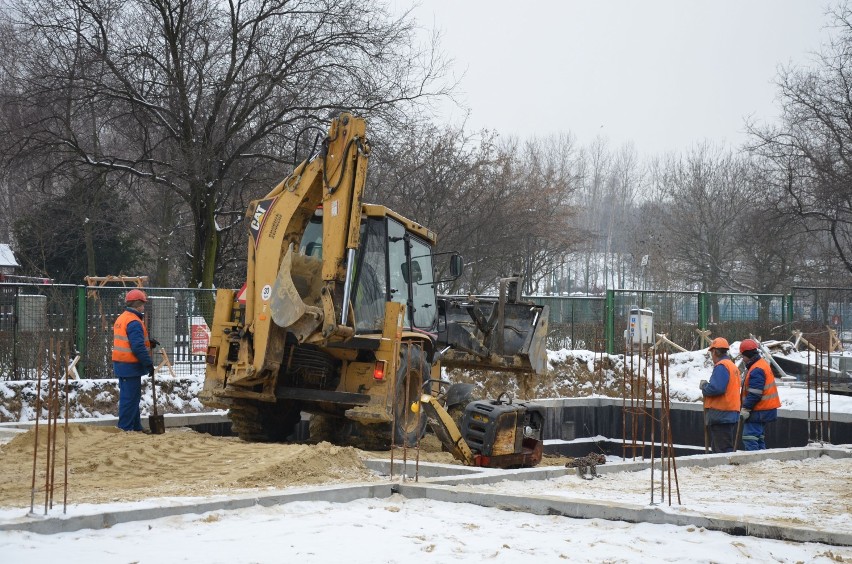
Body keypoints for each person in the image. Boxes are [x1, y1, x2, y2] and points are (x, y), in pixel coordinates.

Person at [113, 289, 156, 432]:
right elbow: (137, 346)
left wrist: (148, 342)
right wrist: (148, 363)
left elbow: (130, 341)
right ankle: (125, 428)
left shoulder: (123, 317)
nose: (144, 307)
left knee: (133, 398)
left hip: (122, 364)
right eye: (143, 304)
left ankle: (136, 427)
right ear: (138, 305)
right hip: (129, 365)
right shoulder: (134, 321)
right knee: (129, 399)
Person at [699, 337, 741, 453]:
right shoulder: (732, 366)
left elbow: (716, 388)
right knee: (724, 447)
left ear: (715, 352)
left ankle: (726, 470)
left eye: (712, 352)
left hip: (721, 413)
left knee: (722, 451)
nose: (712, 356)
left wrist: (704, 386)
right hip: (730, 413)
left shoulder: (722, 366)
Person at [738, 338, 781, 450]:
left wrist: (746, 408)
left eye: (743, 356)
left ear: (747, 355)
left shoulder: (756, 369)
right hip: (764, 410)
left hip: (759, 410)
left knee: (749, 438)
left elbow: (755, 393)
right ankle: (761, 461)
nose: (743, 359)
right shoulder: (760, 365)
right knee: (758, 438)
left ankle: (754, 462)